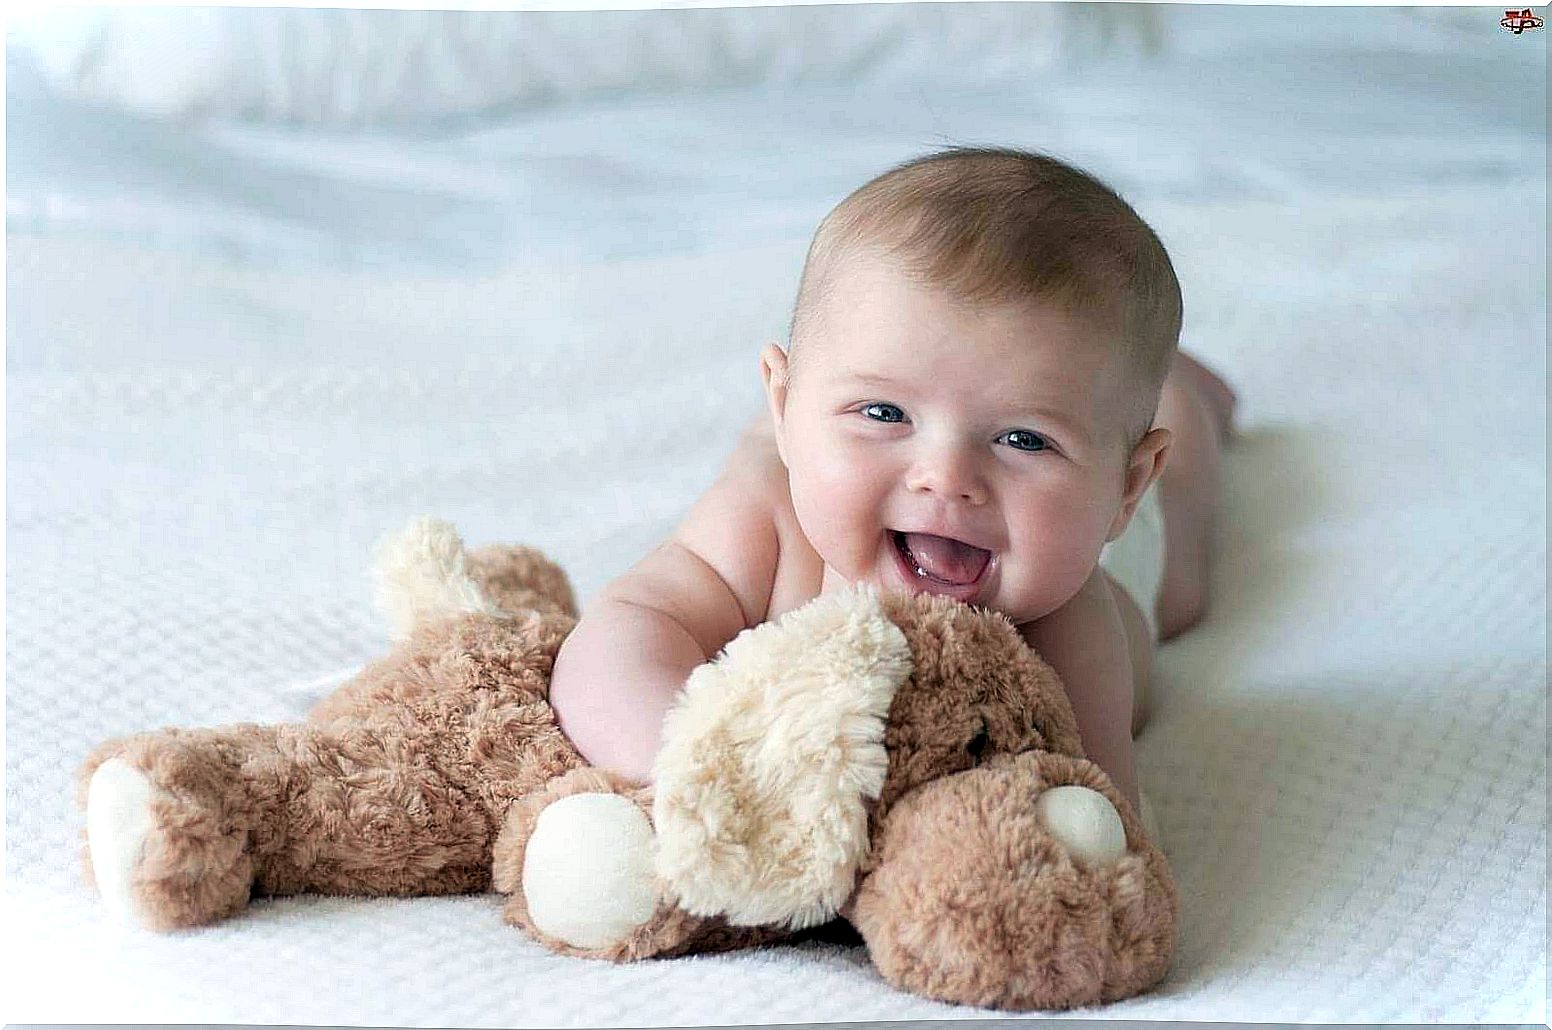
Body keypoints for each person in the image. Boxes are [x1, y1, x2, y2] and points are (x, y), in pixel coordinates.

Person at [549, 146, 1235, 814]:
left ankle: (1190, 404)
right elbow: (617, 641)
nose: (946, 478)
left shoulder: (1069, 625)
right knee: (789, 462)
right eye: (886, 411)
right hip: (796, 460)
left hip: (1122, 552)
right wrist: (703, 773)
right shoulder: (762, 527)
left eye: (1024, 439)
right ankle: (810, 422)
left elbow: (1092, 829)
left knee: (1180, 588)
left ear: (1124, 487)